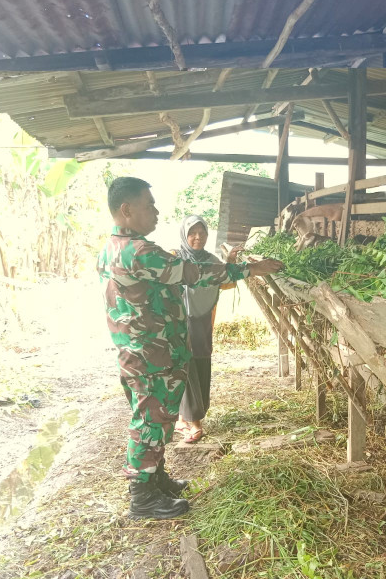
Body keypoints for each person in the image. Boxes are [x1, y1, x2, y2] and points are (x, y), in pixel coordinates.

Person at [98, 177, 282, 520]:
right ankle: (142, 498)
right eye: (149, 205)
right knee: (149, 423)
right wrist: (250, 268)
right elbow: (192, 272)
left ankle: (156, 480)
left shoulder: (113, 247)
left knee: (157, 419)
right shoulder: (138, 252)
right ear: (126, 210)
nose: (156, 211)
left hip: (142, 351)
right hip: (150, 355)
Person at [173, 214, 239, 444]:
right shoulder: (175, 258)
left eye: (202, 233)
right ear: (184, 235)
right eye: (192, 233)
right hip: (178, 322)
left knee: (199, 363)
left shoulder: (211, 260)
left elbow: (228, 281)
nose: (198, 237)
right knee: (185, 366)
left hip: (202, 321)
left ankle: (189, 418)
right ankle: (192, 422)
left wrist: (229, 263)